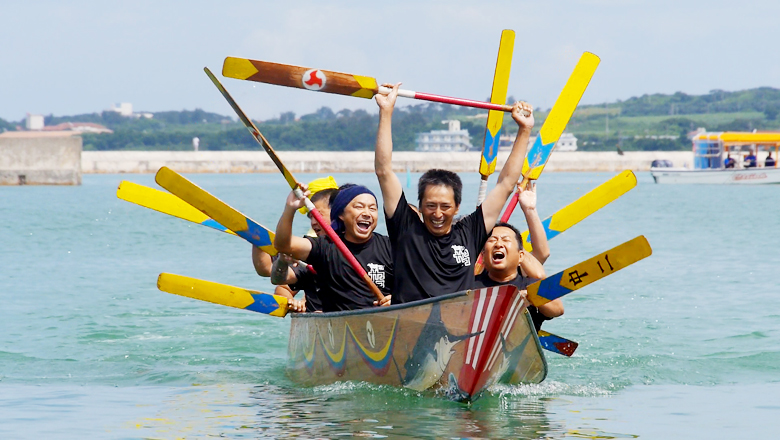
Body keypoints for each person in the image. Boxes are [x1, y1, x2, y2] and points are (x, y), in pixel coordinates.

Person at [374, 82, 535, 304]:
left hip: (460, 332)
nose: (437, 214)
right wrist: (386, 112)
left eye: (445, 206)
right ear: (420, 207)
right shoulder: (406, 228)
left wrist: (524, 130)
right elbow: (384, 171)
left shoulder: (470, 232)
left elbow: (506, 184)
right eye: (430, 206)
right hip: (411, 328)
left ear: (457, 207)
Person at [274, 184, 394, 312]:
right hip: (341, 327)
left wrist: (397, 300)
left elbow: (413, 287)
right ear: (341, 214)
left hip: (386, 323)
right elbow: (284, 245)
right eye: (359, 207)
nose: (367, 213)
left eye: (372, 208)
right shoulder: (324, 247)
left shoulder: (391, 247)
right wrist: (290, 209)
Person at [252, 176, 338, 312]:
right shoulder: (311, 246)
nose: (314, 221)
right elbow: (269, 272)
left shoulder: (372, 245)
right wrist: (293, 302)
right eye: (311, 216)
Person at [476, 221, 563, 332]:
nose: (498, 244)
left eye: (506, 240)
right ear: (482, 256)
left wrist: (531, 297)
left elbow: (558, 309)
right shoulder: (469, 284)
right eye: (492, 240)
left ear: (521, 256)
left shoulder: (530, 285)